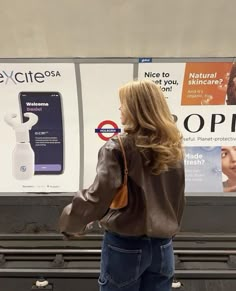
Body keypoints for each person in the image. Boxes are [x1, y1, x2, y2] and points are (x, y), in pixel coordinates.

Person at [59, 79, 185, 291]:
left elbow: (98, 196)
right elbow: (178, 198)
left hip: (126, 247)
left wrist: (71, 223)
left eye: (124, 103)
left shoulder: (118, 146)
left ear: (137, 108)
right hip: (164, 247)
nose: (120, 108)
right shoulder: (173, 146)